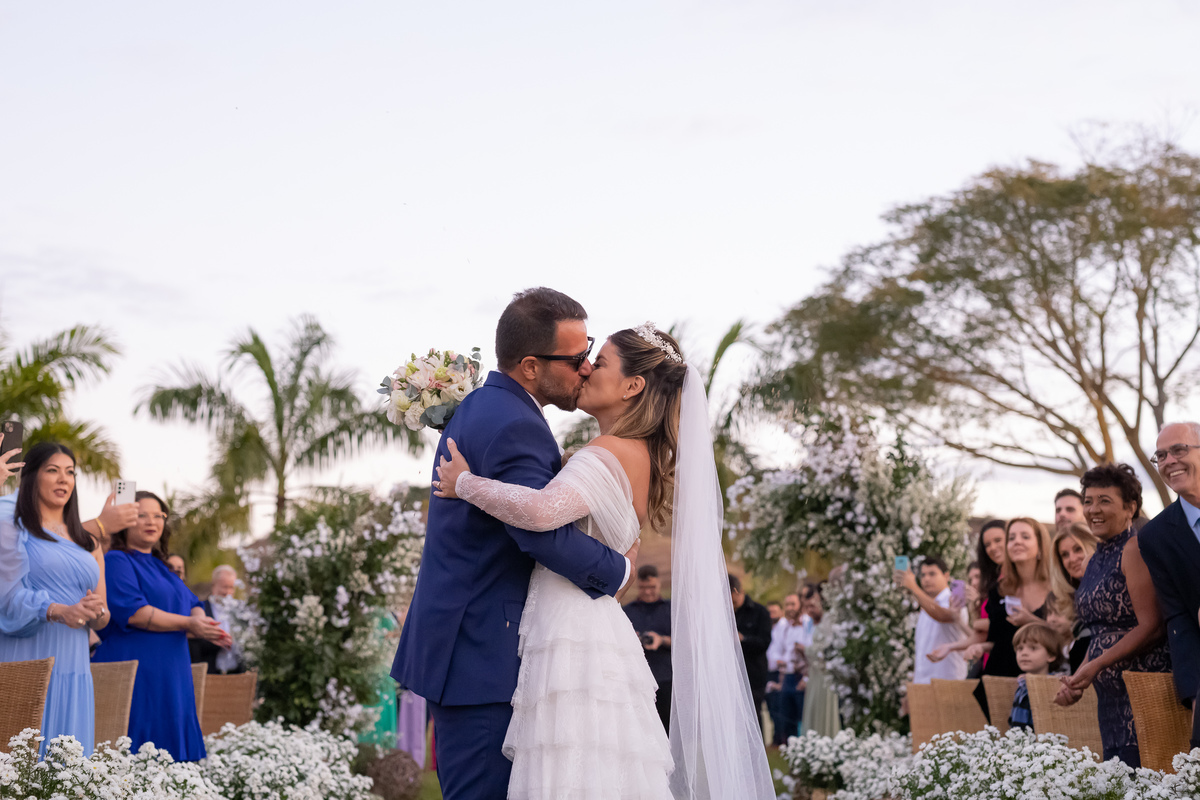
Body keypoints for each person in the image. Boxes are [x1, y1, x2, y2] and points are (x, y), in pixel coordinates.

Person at [433, 319, 774, 798]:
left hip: (571, 633)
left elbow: (541, 512)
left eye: (603, 361)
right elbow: (620, 560)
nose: (588, 368)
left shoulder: (607, 452)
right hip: (597, 625)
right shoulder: (641, 457)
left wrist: (464, 484)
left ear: (633, 385)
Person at [390, 289, 646, 800]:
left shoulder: (489, 406)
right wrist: (616, 570)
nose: (586, 368)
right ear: (531, 366)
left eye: (591, 351)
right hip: (485, 655)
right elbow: (540, 531)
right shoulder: (515, 426)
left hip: (467, 646)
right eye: (576, 359)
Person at [92, 491, 230, 760]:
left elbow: (193, 602)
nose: (150, 521)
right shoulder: (116, 560)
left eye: (158, 515)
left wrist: (202, 623)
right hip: (139, 671)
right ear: (125, 519)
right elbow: (136, 613)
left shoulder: (160, 566)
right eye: (141, 515)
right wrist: (190, 624)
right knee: (138, 756)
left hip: (171, 672)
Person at [1054, 463, 1170, 767]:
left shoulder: (1134, 548)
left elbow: (1152, 625)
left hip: (1140, 693)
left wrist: (1096, 665)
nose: (1094, 509)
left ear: (1130, 507)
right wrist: (1078, 678)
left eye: (1104, 500)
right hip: (1110, 703)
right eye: (1088, 501)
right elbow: (1100, 632)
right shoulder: (1096, 557)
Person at [0, 443, 108, 755]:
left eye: (70, 472)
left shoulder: (87, 541)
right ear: (30, 476)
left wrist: (95, 612)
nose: (64, 479)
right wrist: (57, 610)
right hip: (27, 652)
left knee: (67, 770)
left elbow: (104, 612)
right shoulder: (13, 525)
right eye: (52, 470)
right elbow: (6, 594)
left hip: (73, 663)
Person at [931, 518, 1053, 720]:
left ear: (1040, 546)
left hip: (1044, 680)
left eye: (1025, 536)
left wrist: (1031, 619)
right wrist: (959, 646)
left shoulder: (1056, 587)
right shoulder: (999, 590)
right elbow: (996, 637)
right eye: (1012, 538)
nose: (1016, 542)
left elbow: (1065, 635)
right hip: (1000, 680)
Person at [1139, 422, 1200, 753]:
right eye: (1161, 455)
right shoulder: (1155, 537)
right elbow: (1177, 616)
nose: (1169, 461)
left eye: (1179, 450)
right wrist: (1192, 690)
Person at [896, 554, 969, 683]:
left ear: (946, 576)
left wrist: (913, 587)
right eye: (923, 575)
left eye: (932, 574)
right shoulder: (925, 607)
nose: (926, 579)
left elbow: (942, 615)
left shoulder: (954, 599)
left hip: (948, 682)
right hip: (922, 683)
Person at [623, 564, 672, 733]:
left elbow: (686, 644)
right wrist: (632, 641)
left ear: (659, 583)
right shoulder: (626, 611)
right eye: (643, 588)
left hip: (667, 681)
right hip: (636, 681)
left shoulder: (671, 609)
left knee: (667, 731)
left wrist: (662, 640)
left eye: (652, 587)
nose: (648, 592)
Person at [1048, 522, 1098, 673]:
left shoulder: (1109, 591)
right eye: (1065, 554)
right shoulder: (1073, 598)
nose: (1072, 558)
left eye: (1078, 549)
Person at [730, 573, 772, 735]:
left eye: (734, 601)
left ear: (740, 592)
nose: (732, 606)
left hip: (753, 673)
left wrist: (743, 639)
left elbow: (764, 642)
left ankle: (756, 753)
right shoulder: (725, 613)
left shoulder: (760, 612)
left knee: (753, 714)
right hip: (731, 674)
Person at [798, 584, 840, 738]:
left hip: (825, 676)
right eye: (806, 607)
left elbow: (826, 649)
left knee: (824, 711)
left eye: (812, 605)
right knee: (812, 709)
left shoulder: (829, 620)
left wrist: (805, 650)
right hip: (815, 674)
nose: (810, 610)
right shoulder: (815, 623)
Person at [190, 565, 245, 675]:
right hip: (210, 673)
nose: (228, 592)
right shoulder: (200, 609)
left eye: (231, 587)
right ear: (214, 586)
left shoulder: (241, 611)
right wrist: (220, 640)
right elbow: (194, 642)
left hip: (236, 674)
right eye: (225, 587)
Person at [1008, 621, 1063, 730]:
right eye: (1020, 648)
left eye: (1033, 648)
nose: (1024, 653)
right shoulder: (1022, 684)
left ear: (1051, 655)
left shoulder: (1052, 685)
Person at [764, 592, 801, 745]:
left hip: (797, 674)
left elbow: (793, 653)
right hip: (784, 673)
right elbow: (776, 650)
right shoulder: (784, 628)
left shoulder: (791, 625)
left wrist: (783, 661)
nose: (790, 608)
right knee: (784, 713)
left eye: (793, 604)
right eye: (788, 605)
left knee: (796, 715)